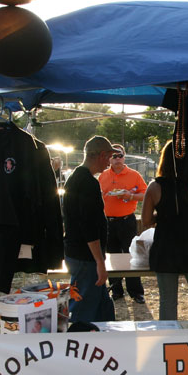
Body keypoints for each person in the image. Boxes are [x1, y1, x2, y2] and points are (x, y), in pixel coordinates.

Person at [142, 141, 188, 321]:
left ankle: (168, 336)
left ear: (164, 160)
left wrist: (164, 216)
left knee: (167, 302)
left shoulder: (154, 187)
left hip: (165, 250)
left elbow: (146, 220)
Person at [62, 135, 118, 324]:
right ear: (101, 155)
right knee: (81, 311)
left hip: (81, 255)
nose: (109, 163)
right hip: (85, 257)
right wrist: (100, 262)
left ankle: (106, 334)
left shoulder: (76, 178)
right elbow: (89, 227)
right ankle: (76, 337)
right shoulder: (87, 183)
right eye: (109, 157)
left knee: (103, 308)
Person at [98, 144, 147, 304]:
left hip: (127, 221)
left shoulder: (134, 175)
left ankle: (136, 292)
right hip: (108, 222)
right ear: (109, 158)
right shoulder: (103, 175)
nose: (117, 159)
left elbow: (145, 194)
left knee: (131, 255)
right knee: (112, 256)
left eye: (120, 155)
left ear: (124, 157)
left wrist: (130, 196)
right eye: (114, 156)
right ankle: (116, 290)